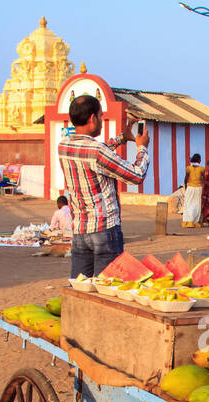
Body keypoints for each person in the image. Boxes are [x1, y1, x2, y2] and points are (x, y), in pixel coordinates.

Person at [58, 93, 149, 279]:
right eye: (100, 116)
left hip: (80, 230)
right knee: (107, 288)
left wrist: (121, 138)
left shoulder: (64, 146)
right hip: (105, 230)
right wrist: (142, 148)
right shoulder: (97, 151)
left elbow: (94, 154)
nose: (101, 120)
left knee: (80, 288)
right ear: (92, 118)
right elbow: (136, 176)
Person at [182, 154, 204, 227]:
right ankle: (194, 221)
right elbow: (203, 180)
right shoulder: (202, 169)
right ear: (199, 160)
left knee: (188, 204)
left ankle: (187, 221)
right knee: (197, 205)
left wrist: (185, 187)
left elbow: (186, 178)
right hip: (199, 188)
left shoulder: (188, 168)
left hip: (190, 188)